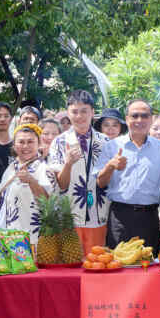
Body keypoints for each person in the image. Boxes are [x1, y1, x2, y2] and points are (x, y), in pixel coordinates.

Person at [95, 100, 160, 251]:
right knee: (119, 266)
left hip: (149, 218)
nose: (139, 120)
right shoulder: (112, 146)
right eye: (135, 116)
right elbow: (100, 183)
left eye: (144, 116)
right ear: (126, 119)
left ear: (151, 119)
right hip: (119, 218)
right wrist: (110, 166)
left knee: (148, 268)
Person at [48, 90, 111, 258]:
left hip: (99, 214)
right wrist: (68, 163)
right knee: (69, 267)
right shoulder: (59, 142)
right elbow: (61, 184)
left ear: (92, 112)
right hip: (69, 217)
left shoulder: (105, 142)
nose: (79, 116)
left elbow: (108, 180)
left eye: (84, 111)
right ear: (68, 113)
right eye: (75, 112)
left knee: (97, 264)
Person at [0, 124, 56, 245]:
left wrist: (32, 182)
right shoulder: (11, 168)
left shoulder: (44, 169)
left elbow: (48, 205)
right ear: (14, 146)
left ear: (39, 144)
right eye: (21, 142)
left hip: (31, 239)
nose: (25, 146)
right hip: (5, 236)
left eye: (30, 142)